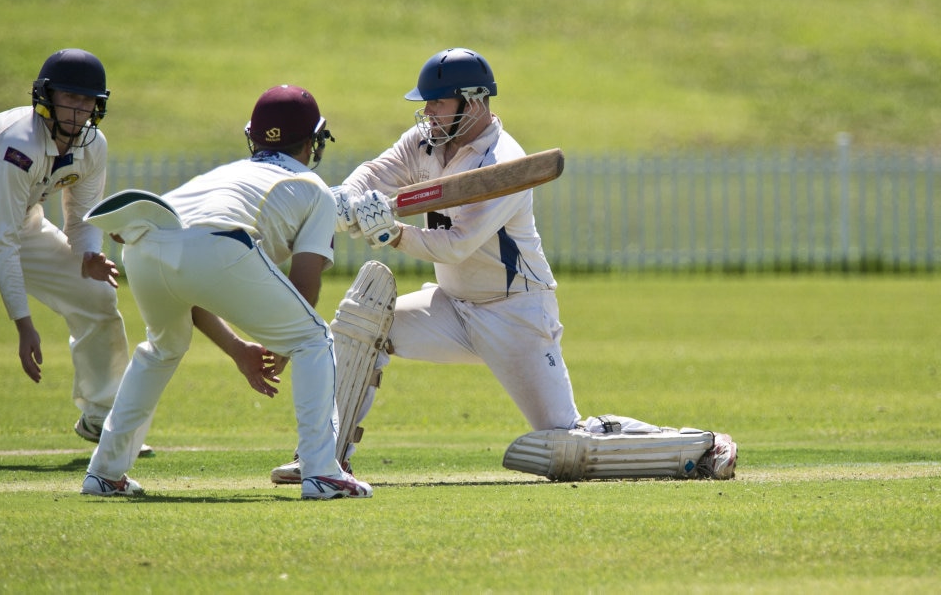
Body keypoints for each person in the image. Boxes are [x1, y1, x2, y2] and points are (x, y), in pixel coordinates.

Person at [271, 48, 737, 484]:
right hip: (451, 307)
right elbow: (375, 173)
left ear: (473, 103)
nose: (428, 113)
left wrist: (392, 233)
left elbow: (457, 245)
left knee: (566, 441)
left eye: (438, 103)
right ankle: (322, 456)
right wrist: (345, 200)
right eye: (426, 104)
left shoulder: (504, 163)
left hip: (515, 312)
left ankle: (702, 446)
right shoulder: (425, 142)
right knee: (361, 324)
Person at [80, 84, 373, 499]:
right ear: (313, 142)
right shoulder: (315, 189)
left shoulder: (224, 175)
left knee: (161, 349)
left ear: (252, 137)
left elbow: (188, 278)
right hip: (220, 243)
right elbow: (305, 286)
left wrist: (238, 349)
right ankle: (322, 471)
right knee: (314, 338)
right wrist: (286, 346)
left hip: (144, 242)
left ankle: (104, 473)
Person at [0, 48, 150, 466]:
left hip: (18, 218)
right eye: (69, 98)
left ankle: (101, 417)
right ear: (46, 96)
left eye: (87, 101)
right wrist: (24, 325)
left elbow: (79, 217)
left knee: (96, 295)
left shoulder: (93, 147)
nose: (78, 110)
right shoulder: (17, 144)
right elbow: (0, 241)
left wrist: (89, 255)